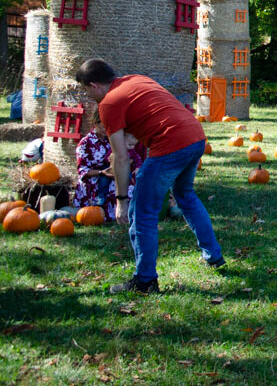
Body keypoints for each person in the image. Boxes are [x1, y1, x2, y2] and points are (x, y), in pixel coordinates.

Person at [75, 58, 223, 294]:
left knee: (141, 212)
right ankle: (214, 256)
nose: (88, 95)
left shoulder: (109, 103)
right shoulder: (137, 79)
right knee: (185, 196)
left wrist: (121, 201)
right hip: (195, 137)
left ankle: (145, 281)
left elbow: (121, 158)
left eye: (85, 90)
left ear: (93, 86)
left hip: (170, 146)